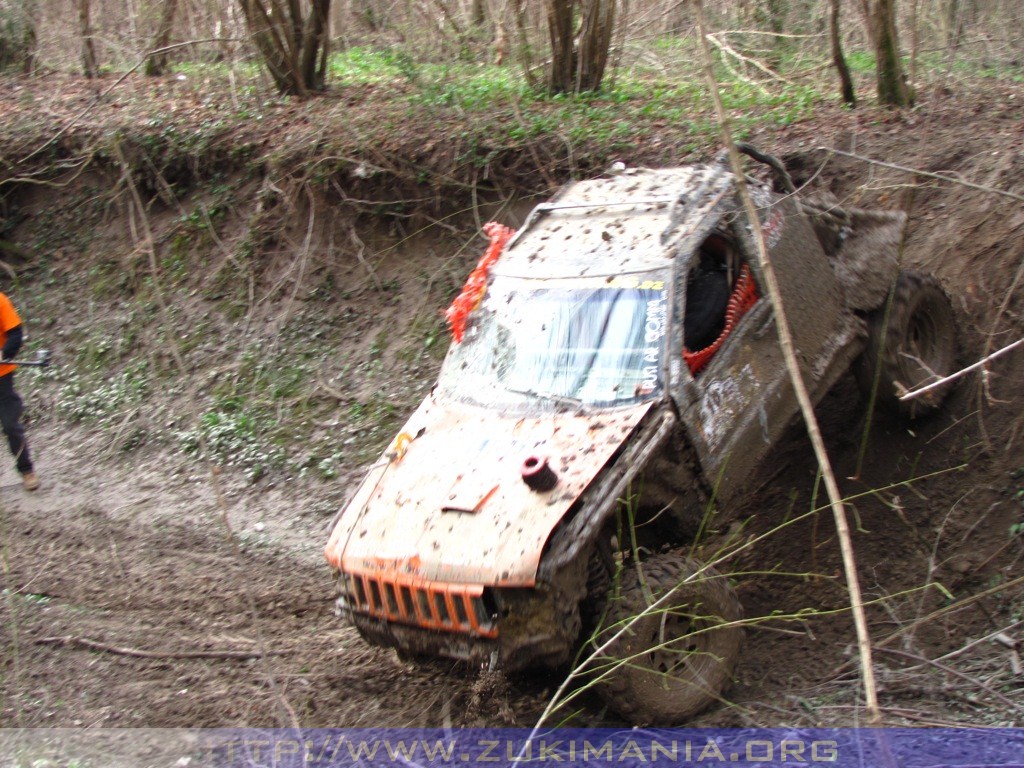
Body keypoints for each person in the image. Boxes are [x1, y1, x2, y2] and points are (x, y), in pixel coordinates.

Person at [0, 291, 38, 490]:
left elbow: (15, 333)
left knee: (10, 425)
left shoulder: (0, 301)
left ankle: (26, 470)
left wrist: (4, 353)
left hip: (2, 376)